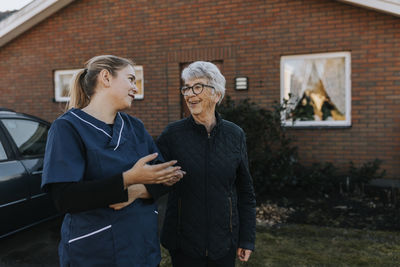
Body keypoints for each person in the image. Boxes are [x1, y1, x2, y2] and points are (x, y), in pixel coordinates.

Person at [41, 55, 184, 267]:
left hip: (142, 249)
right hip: (95, 253)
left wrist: (135, 190)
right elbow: (65, 198)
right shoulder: (67, 128)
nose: (135, 88)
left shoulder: (135, 127)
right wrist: (127, 179)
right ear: (106, 77)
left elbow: (164, 177)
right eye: (130, 79)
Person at [145, 61, 256, 267]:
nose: (189, 94)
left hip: (225, 242)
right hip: (183, 243)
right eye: (186, 87)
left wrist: (246, 238)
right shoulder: (172, 134)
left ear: (216, 94)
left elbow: (245, 191)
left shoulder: (235, 135)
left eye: (197, 87)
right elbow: (151, 181)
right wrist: (163, 181)